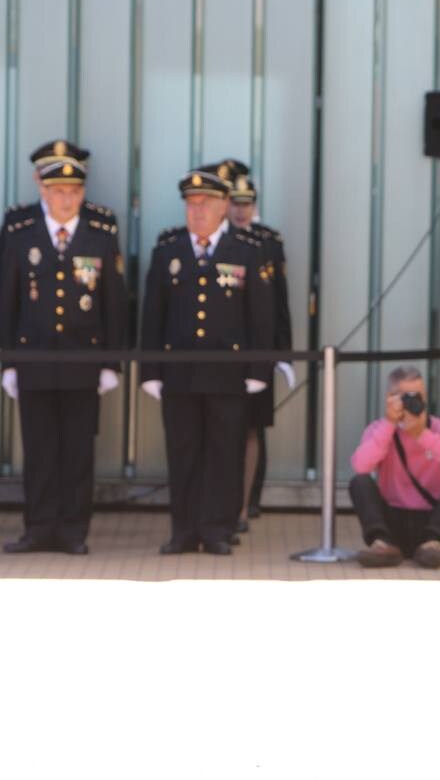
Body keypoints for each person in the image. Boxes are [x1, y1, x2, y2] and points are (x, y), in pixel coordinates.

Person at [140, 168, 274, 555]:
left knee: (224, 453)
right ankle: (183, 531)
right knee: (183, 454)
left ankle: (217, 529)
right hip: (179, 375)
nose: (198, 211)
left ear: (224, 206)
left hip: (228, 375)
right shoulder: (168, 251)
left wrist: (258, 370)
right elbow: (153, 316)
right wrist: (150, 371)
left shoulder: (246, 251)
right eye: (192, 203)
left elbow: (259, 318)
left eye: (207, 203)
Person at [0, 160, 128, 554]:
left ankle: (73, 531)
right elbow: (8, 303)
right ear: (44, 192)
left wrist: (111, 363)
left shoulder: (99, 239)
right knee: (38, 451)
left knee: (76, 452)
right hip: (34, 361)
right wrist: (7, 363)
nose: (67, 199)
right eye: (59, 191)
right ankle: (38, 528)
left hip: (82, 364)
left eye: (74, 192)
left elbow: (114, 306)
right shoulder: (22, 237)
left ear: (82, 194)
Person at [208, 160, 294, 527]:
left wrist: (282, 353)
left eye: (248, 202)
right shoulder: (214, 242)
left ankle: (244, 504)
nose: (241, 210)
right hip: (219, 353)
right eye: (235, 202)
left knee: (251, 429)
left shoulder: (267, 242)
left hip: (257, 352)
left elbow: (278, 302)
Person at [348, 366, 440, 568]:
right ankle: (383, 544)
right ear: (391, 398)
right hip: (393, 519)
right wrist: (390, 424)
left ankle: (433, 545)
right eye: (407, 397)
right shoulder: (379, 429)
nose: (414, 403)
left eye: (419, 396)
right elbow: (360, 466)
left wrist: (421, 435)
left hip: (433, 521)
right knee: (359, 482)